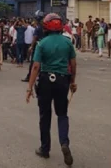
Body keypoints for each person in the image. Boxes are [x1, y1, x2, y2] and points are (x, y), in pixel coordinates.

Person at [25, 13, 77, 166]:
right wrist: (73, 81)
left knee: (45, 116)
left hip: (46, 81)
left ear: (46, 26)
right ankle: (64, 143)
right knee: (62, 114)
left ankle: (45, 148)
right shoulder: (67, 43)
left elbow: (35, 66)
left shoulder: (42, 44)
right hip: (62, 81)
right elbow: (73, 65)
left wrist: (29, 88)